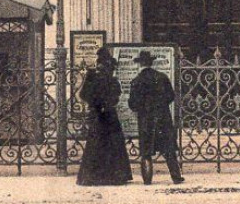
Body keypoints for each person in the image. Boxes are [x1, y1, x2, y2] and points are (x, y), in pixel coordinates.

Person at [76, 48, 131, 187]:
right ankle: (114, 176)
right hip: (109, 115)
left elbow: (83, 95)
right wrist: (108, 104)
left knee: (95, 145)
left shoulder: (92, 77)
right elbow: (116, 97)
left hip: (96, 114)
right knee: (113, 144)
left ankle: (93, 177)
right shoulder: (112, 80)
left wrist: (94, 103)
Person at [127, 51, 183, 185]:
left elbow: (133, 104)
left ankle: (147, 179)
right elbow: (171, 96)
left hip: (146, 120)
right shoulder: (162, 77)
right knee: (168, 149)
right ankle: (176, 177)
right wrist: (160, 105)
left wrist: (143, 108)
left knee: (146, 151)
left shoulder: (137, 81)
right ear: (151, 63)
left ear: (140, 63)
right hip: (163, 118)